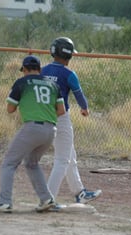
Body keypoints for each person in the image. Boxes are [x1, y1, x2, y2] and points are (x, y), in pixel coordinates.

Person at [0, 55, 66, 213]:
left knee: (9, 163)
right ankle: (46, 199)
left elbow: (10, 109)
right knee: (32, 163)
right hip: (51, 130)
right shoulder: (52, 84)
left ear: (24, 69)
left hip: (32, 128)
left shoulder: (22, 82)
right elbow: (61, 110)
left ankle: (4, 202)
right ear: (39, 69)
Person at [41, 37, 102, 206]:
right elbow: (79, 95)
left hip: (44, 117)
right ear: (68, 56)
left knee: (69, 155)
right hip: (61, 119)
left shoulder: (43, 70)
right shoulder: (69, 74)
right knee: (62, 160)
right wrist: (85, 108)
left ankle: (79, 192)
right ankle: (48, 198)